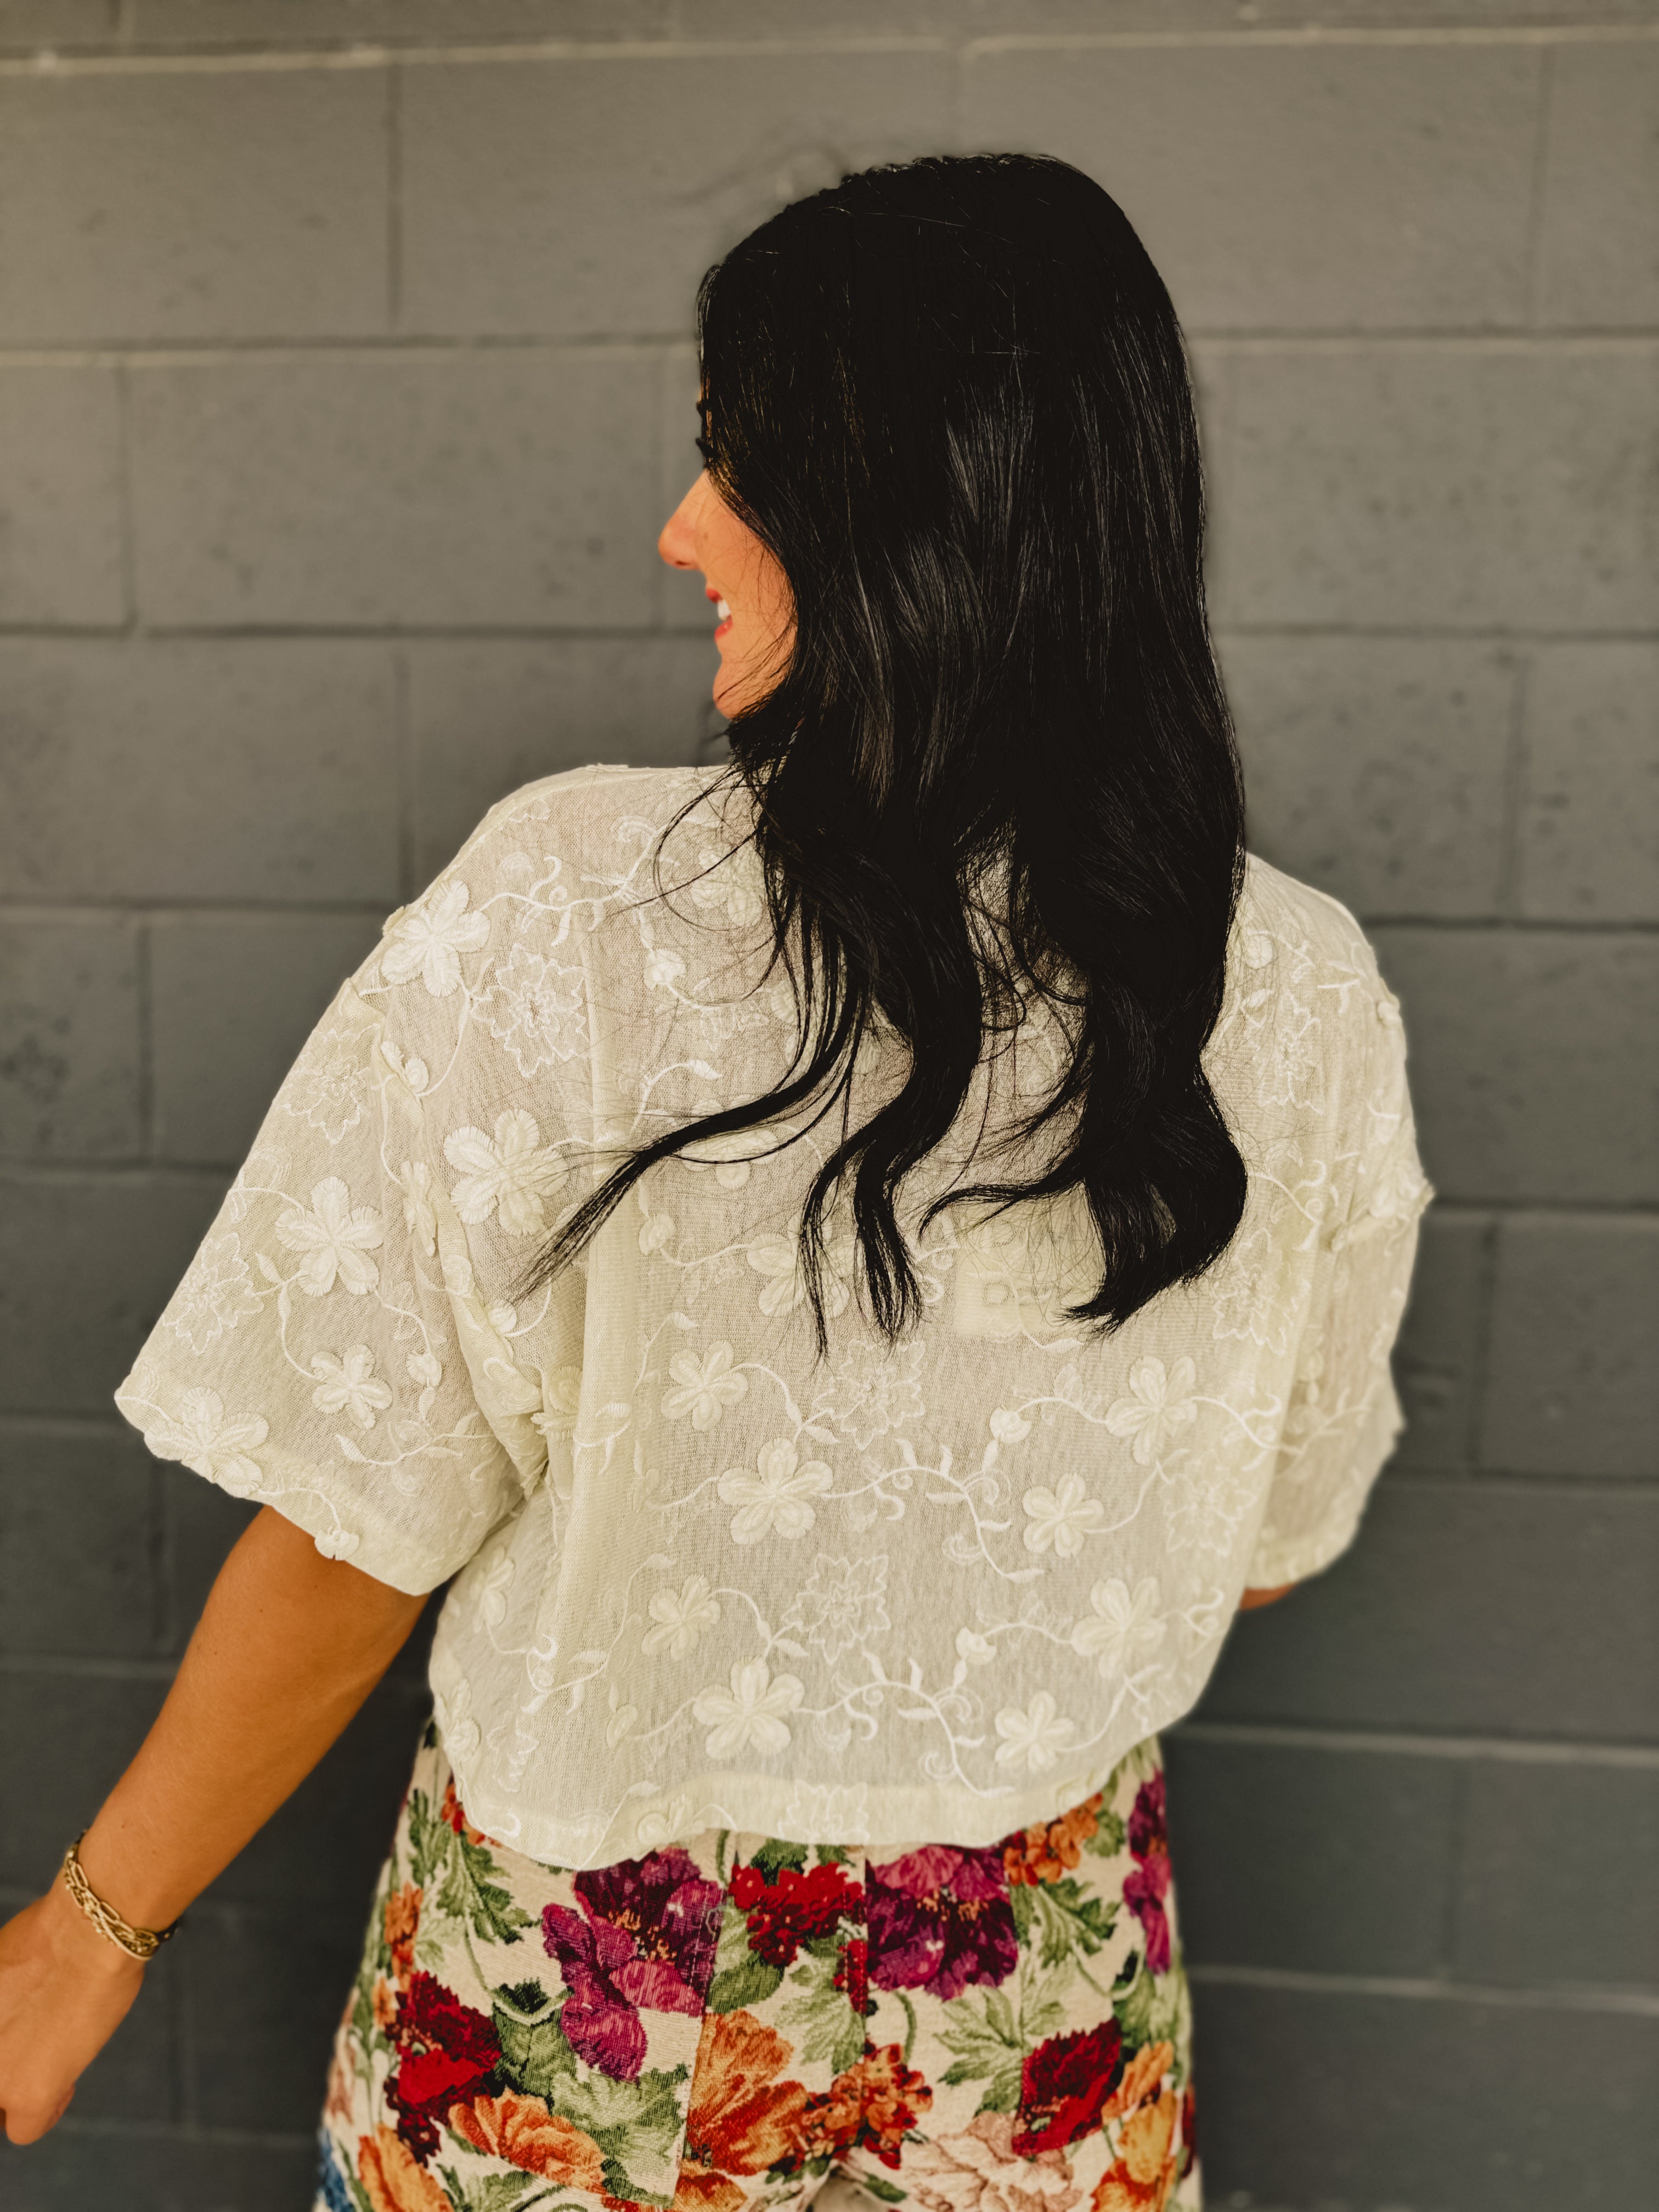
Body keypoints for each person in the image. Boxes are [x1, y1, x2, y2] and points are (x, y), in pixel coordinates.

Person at [0, 154, 1430, 2211]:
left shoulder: (568, 913)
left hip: (572, 2050)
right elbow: (1271, 1541)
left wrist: (88, 1933)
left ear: (912, 518)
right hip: (1038, 2041)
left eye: (736, 467)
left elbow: (355, 1531)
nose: (683, 528)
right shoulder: (1296, 994)